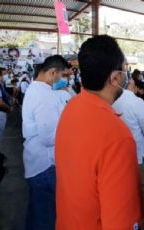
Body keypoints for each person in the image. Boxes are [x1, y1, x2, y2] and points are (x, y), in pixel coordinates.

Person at [56, 35, 143, 229]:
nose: (126, 75)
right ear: (114, 78)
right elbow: (121, 223)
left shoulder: (72, 107)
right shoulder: (117, 136)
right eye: (124, 70)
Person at [22, 55, 68, 230]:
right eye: (62, 75)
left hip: (38, 162)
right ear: (52, 72)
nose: (62, 79)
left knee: (38, 212)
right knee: (46, 218)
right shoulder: (43, 95)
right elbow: (49, 137)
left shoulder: (37, 90)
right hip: (46, 165)